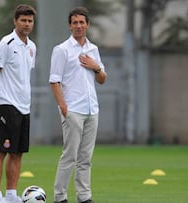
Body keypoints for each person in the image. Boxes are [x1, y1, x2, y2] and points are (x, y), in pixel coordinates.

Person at [49, 7, 107, 203]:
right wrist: (63, 106)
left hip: (92, 110)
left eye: (82, 22)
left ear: (87, 24)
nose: (79, 26)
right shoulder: (62, 50)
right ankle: (60, 197)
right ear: (70, 25)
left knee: (85, 158)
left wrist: (96, 66)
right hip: (72, 110)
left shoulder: (93, 50)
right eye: (75, 23)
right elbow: (54, 80)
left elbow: (102, 79)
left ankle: (84, 197)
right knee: (70, 156)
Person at [0, 4, 37, 203]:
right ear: (15, 21)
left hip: (24, 106)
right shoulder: (6, 43)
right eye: (23, 20)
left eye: (30, 21)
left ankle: (12, 195)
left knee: (17, 152)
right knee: (1, 150)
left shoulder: (32, 47)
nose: (27, 24)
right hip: (6, 104)